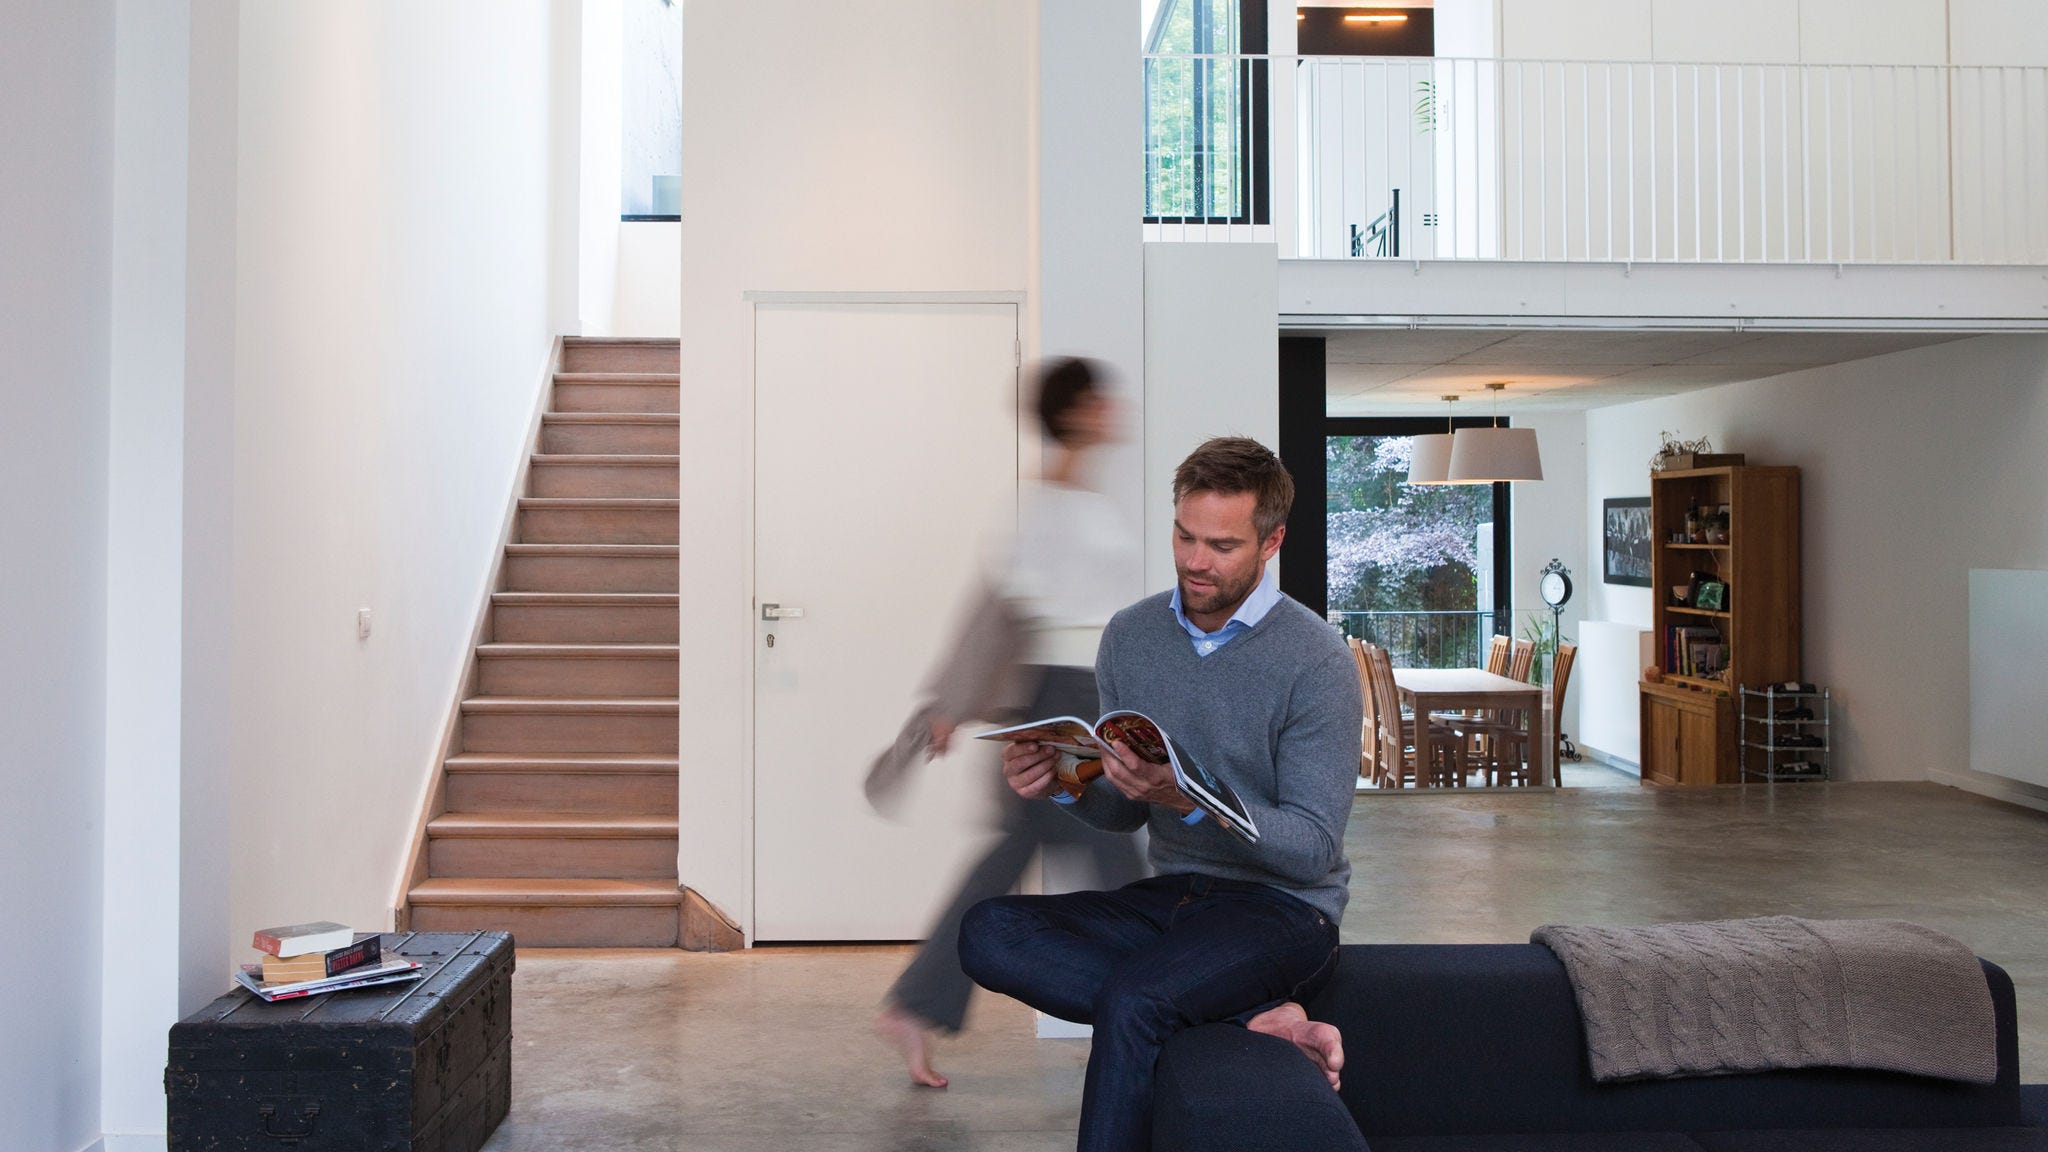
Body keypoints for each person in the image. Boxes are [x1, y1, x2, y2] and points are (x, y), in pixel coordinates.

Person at [958, 436, 1362, 1152]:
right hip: (1171, 898)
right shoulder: (1132, 636)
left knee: (1137, 999)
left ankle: (1223, 1003)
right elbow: (1119, 812)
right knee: (987, 931)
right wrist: (1062, 782)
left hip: (1285, 914)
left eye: (1221, 545)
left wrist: (1189, 800)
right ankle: (1254, 1015)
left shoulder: (1316, 659)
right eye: (1183, 535)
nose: (1194, 561)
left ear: (1272, 542)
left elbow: (1310, 850)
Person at [870, 358, 1150, 1088]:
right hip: (1062, 703)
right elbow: (994, 611)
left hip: (1091, 697)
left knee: (1030, 861)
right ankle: (1155, 1020)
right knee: (1118, 869)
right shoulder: (1040, 504)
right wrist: (953, 706)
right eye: (1101, 399)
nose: (1114, 409)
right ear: (1080, 408)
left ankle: (914, 1003)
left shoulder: (1084, 498)